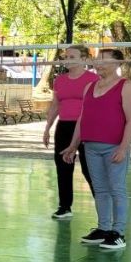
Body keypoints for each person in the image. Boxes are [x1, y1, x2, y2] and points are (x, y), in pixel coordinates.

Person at [62, 48, 131, 250]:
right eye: (97, 60)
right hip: (90, 147)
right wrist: (73, 145)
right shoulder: (90, 87)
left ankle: (118, 232)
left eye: (104, 60)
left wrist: (123, 148)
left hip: (114, 147)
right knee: (100, 189)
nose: (98, 63)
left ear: (117, 63)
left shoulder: (126, 86)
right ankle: (103, 228)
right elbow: (82, 118)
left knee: (117, 189)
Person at [43, 45, 96, 220]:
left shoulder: (93, 79)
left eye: (72, 57)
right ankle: (64, 207)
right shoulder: (59, 80)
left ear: (84, 59)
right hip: (64, 127)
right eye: (66, 57)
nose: (67, 60)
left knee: (89, 169)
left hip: (86, 127)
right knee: (63, 167)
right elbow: (55, 105)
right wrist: (47, 128)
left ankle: (102, 207)